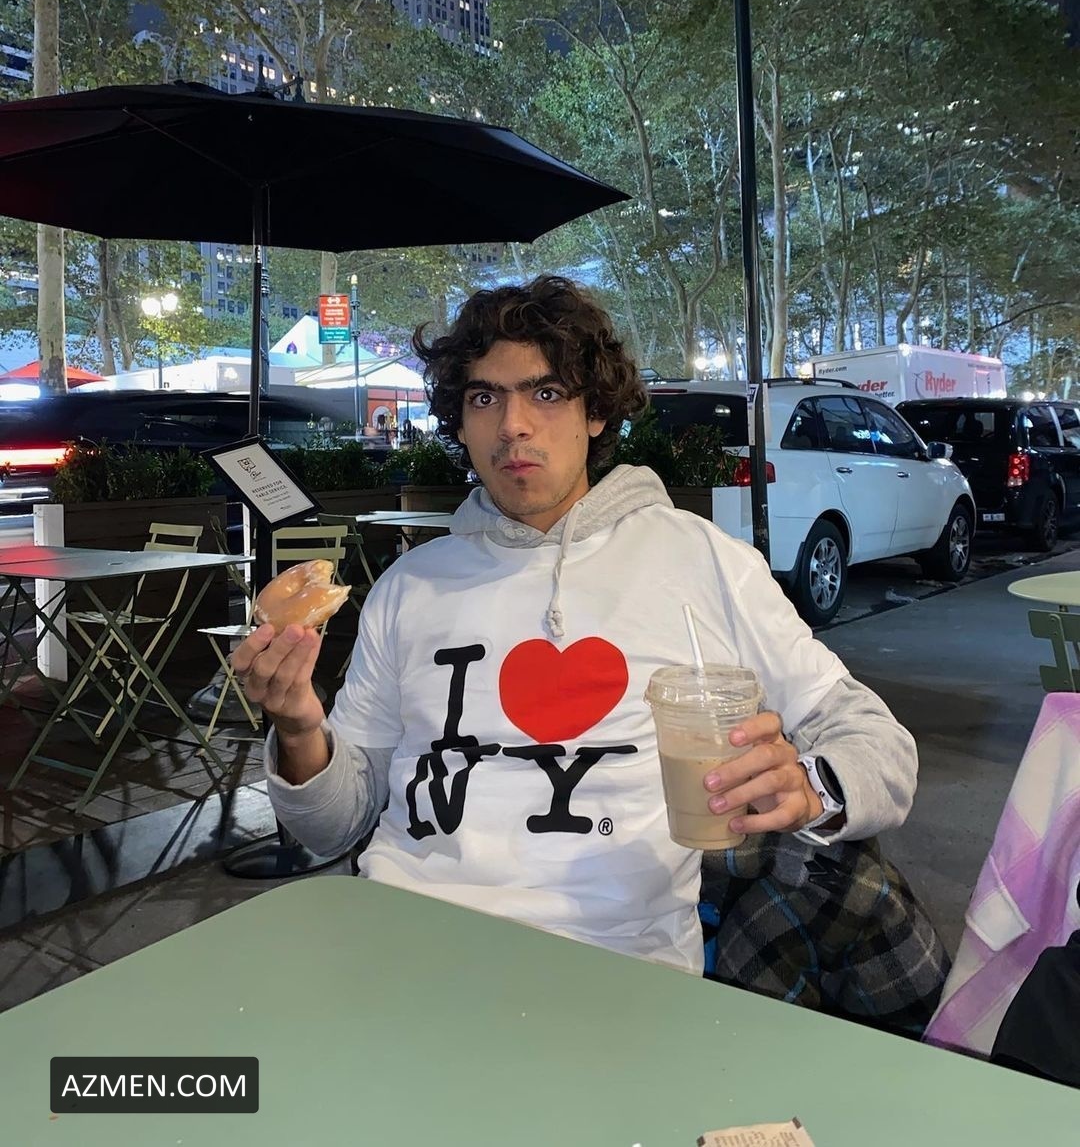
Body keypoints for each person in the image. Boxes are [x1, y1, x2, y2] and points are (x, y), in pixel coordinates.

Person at [232, 275, 918, 976]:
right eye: (484, 398)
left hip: (616, 963)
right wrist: (299, 727)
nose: (513, 425)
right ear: (460, 423)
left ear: (596, 413)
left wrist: (811, 788)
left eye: (548, 393)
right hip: (403, 943)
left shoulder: (702, 562)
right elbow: (333, 827)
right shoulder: (407, 588)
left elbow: (880, 748)